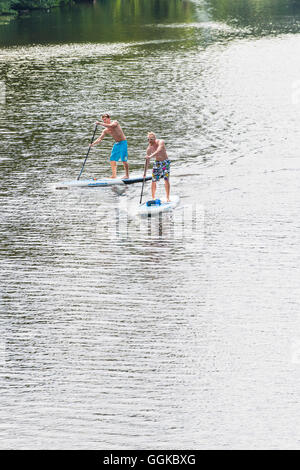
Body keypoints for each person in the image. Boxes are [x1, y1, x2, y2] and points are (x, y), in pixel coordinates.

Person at [90, 114, 129, 179]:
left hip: (123, 143)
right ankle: (114, 175)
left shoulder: (115, 123)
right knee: (112, 159)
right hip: (117, 144)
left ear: (109, 118)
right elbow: (100, 139)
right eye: (103, 120)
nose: (104, 121)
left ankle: (127, 175)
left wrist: (100, 123)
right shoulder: (105, 130)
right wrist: (93, 144)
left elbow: (111, 125)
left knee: (124, 160)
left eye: (105, 119)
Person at [145, 132, 170, 202]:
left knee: (166, 179)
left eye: (151, 139)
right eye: (148, 139)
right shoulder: (149, 148)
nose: (150, 141)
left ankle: (167, 197)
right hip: (157, 163)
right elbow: (147, 161)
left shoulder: (160, 142)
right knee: (153, 180)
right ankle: (153, 198)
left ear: (155, 139)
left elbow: (159, 150)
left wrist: (150, 156)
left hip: (165, 162)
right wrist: (145, 172)